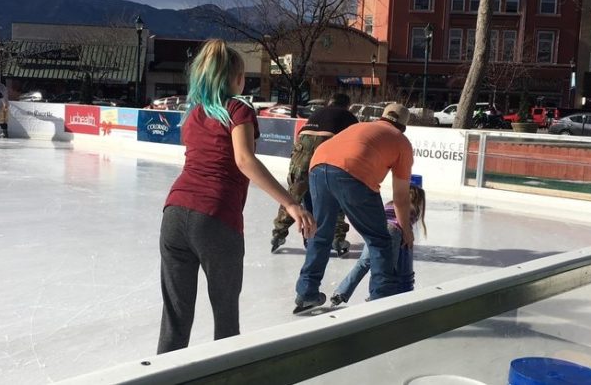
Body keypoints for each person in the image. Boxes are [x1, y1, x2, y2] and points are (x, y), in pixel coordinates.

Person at [158, 39, 316, 354]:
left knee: (175, 319)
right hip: (215, 217)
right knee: (226, 319)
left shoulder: (193, 114)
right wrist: (290, 203)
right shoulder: (237, 108)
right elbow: (245, 160)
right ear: (234, 78)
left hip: (174, 214)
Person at [294, 103, 415, 313]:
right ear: (403, 126)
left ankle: (306, 292)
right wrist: (406, 229)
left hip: (317, 165)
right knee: (379, 240)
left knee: (321, 233)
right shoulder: (401, 142)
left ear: (382, 117)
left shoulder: (361, 127)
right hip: (352, 173)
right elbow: (401, 196)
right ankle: (381, 299)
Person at [271, 93, 358, 255]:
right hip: (325, 147)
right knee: (336, 192)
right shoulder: (348, 116)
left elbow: (301, 137)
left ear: (330, 102)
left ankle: (278, 233)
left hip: (301, 148)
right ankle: (337, 238)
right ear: (347, 105)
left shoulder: (317, 113)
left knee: (295, 193)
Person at [331, 184, 426, 306]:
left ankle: (341, 292)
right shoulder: (412, 209)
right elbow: (405, 230)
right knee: (386, 269)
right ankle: (376, 296)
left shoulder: (389, 205)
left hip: (375, 231)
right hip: (393, 232)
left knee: (363, 263)